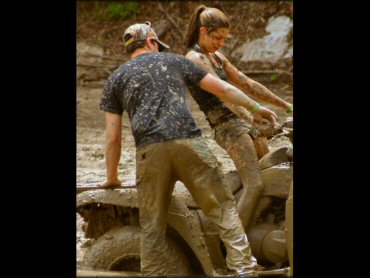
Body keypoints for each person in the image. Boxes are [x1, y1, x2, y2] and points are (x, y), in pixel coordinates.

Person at [97, 21, 277, 277]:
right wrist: (257, 108)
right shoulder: (175, 62)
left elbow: (113, 138)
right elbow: (224, 89)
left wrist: (112, 178)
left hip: (150, 151)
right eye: (158, 44)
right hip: (191, 145)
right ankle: (244, 269)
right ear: (151, 42)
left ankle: (153, 274)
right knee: (224, 210)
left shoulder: (116, 78)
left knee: (152, 226)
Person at [184, 5, 293, 231]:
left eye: (224, 38)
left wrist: (286, 105)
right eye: (216, 37)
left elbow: (248, 84)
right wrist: (254, 114)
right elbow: (224, 94)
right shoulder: (195, 59)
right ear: (202, 31)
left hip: (244, 124)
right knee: (255, 185)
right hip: (228, 128)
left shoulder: (217, 57)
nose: (220, 42)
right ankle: (235, 249)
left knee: (272, 175)